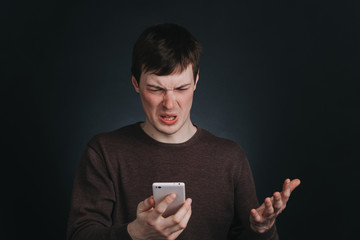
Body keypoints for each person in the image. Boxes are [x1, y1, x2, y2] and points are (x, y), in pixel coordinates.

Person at [67, 23, 301, 240]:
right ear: (136, 83)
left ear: (196, 81)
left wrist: (262, 230)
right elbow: (80, 234)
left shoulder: (230, 157)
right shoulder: (104, 152)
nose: (169, 103)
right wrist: (134, 233)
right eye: (155, 89)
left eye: (181, 88)